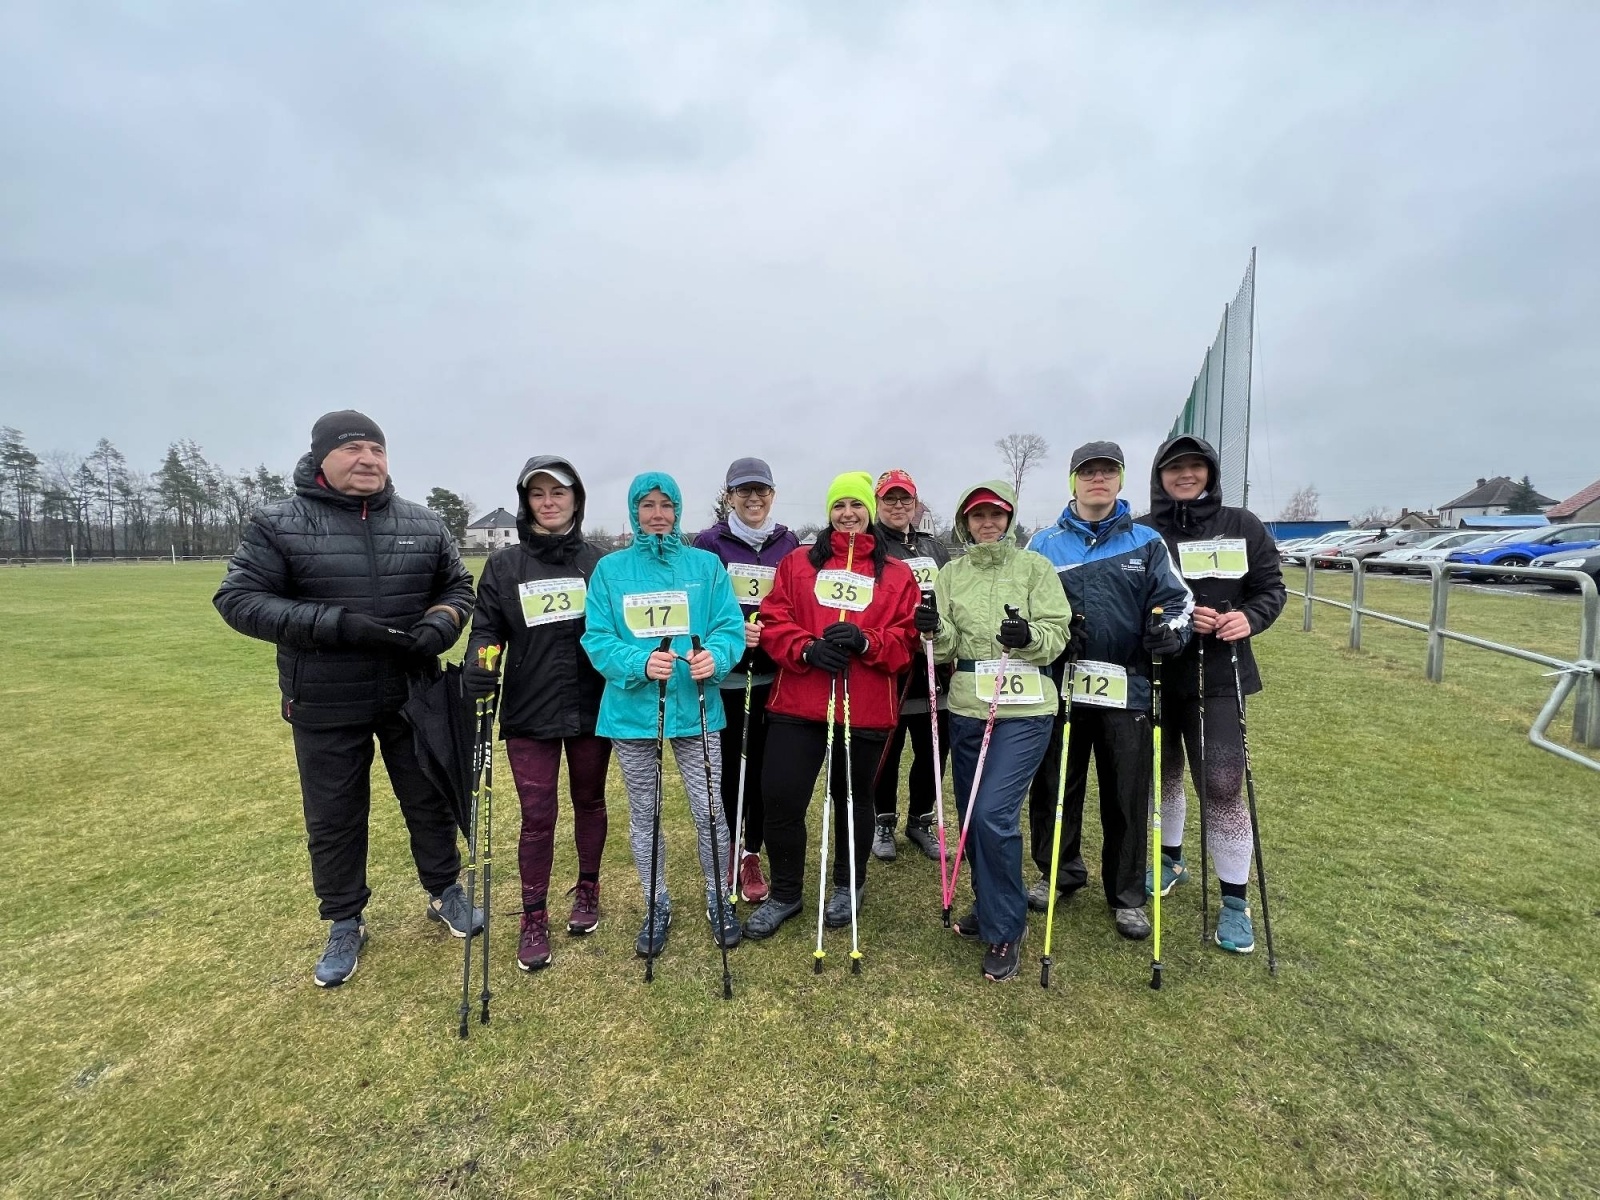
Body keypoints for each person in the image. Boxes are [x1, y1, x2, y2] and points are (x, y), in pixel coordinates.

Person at [213, 410, 480, 988]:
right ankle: (343, 919)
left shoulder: (423, 522)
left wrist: (441, 622)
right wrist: (332, 624)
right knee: (334, 816)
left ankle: (444, 892)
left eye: (377, 450)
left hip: (413, 692)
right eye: (353, 448)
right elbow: (238, 600)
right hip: (326, 700)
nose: (368, 460)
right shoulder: (278, 522)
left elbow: (457, 587)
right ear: (322, 457)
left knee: (429, 797)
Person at [1025, 440, 1194, 941]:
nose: (1097, 480)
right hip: (1062, 687)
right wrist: (1047, 635)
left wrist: (1172, 634)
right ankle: (1058, 873)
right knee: (1056, 788)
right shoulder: (1043, 544)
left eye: (1107, 472)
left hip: (1128, 689)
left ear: (1120, 481)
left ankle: (1126, 895)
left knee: (1125, 795)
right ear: (1073, 481)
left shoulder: (1147, 540)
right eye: (1087, 472)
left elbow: (1178, 602)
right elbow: (1023, 606)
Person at [741, 473, 921, 940]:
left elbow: (905, 640)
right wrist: (805, 649)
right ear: (829, 511)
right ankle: (785, 892)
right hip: (798, 704)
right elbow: (775, 618)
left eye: (857, 505)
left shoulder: (897, 574)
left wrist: (867, 640)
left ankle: (847, 885)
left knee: (852, 799)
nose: (848, 514)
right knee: (780, 797)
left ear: (870, 511)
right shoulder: (799, 563)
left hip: (862, 709)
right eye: (839, 505)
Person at [581, 472, 746, 958]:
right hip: (634, 712)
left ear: (678, 510)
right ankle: (656, 901)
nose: (657, 514)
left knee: (709, 809)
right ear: (634, 511)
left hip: (695, 708)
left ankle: (719, 894)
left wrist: (715, 655)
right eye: (648, 505)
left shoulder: (706, 565)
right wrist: (636, 663)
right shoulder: (610, 571)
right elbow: (597, 636)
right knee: (645, 812)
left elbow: (727, 625)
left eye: (666, 505)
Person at [463, 455, 611, 973]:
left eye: (559, 493)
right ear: (527, 502)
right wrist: (480, 664)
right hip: (530, 709)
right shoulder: (504, 566)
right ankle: (533, 913)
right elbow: (486, 630)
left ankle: (588, 890)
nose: (549, 503)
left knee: (589, 800)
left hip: (594, 705)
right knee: (537, 815)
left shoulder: (599, 563)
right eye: (538, 494)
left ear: (576, 498)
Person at [919, 480, 1071, 981]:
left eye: (997, 514)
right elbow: (944, 648)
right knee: (971, 820)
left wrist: (1029, 636)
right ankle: (989, 906)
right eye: (978, 515)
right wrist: (931, 629)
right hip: (968, 704)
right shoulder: (951, 574)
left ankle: (1006, 927)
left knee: (991, 815)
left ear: (1009, 518)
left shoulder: (1035, 567)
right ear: (965, 521)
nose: (988, 523)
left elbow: (1057, 634)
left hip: (1025, 711)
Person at [1139, 435, 1285, 954]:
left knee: (1222, 786)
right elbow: (1135, 597)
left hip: (1220, 679)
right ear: (1159, 476)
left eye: (1194, 467)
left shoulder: (1242, 525)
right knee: (1165, 773)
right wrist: (1169, 619)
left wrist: (1249, 618)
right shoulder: (1144, 531)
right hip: (1158, 674)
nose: (1184, 476)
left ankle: (1234, 902)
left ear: (1209, 473)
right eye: (1174, 468)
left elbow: (1272, 588)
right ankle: (1171, 856)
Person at [692, 457, 799, 904]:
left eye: (762, 491)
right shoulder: (708, 542)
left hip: (775, 677)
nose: (753, 499)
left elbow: (794, 602)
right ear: (729, 496)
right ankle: (733, 845)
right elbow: (700, 607)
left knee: (764, 770)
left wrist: (771, 632)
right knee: (729, 768)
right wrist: (736, 634)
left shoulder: (788, 542)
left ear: (772, 494)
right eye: (743, 491)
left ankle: (752, 850)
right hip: (727, 679)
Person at [869, 468, 951, 863]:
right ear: (877, 503)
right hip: (890, 663)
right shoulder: (870, 546)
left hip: (934, 662)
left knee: (934, 748)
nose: (898, 506)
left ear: (915, 504)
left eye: (905, 499)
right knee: (887, 747)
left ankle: (920, 820)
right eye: (890, 499)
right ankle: (882, 820)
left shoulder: (933, 547)